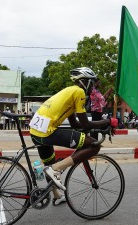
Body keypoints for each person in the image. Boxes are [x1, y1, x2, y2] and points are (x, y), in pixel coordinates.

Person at [29, 67, 117, 206]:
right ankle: (56, 169)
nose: (93, 88)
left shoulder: (69, 91)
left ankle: (57, 195)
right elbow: (85, 124)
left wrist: (99, 127)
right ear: (85, 82)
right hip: (47, 131)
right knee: (94, 145)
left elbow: (75, 124)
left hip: (36, 132)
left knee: (49, 165)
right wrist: (108, 121)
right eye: (92, 84)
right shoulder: (79, 92)